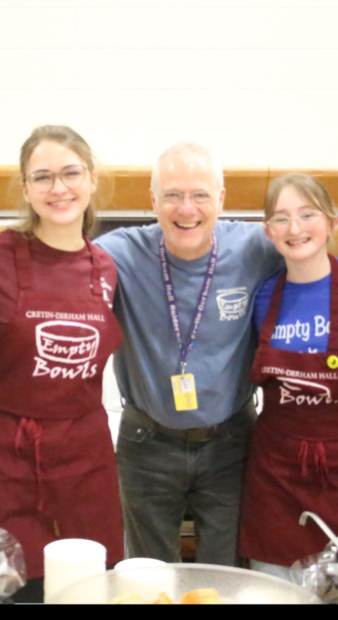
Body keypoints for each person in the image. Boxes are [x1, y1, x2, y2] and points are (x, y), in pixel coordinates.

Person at [95, 143, 283, 566]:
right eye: (173, 195)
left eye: (199, 194)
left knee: (225, 572)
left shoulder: (256, 248)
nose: (186, 209)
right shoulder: (121, 253)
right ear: (153, 200)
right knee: (146, 574)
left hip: (231, 441)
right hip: (147, 443)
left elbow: (316, 262)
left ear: (220, 199)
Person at [0, 126, 124, 600]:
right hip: (4, 457)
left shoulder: (106, 267)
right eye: (43, 177)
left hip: (84, 457)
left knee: (87, 588)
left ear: (91, 180)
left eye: (71, 173)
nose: (59, 188)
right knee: (10, 587)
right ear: (27, 188)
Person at [238, 174, 338, 579]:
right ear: (268, 232)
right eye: (282, 218)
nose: (296, 228)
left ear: (331, 221)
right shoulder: (263, 295)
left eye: (308, 214)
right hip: (276, 476)